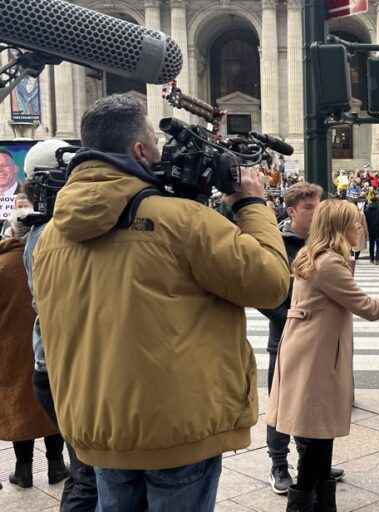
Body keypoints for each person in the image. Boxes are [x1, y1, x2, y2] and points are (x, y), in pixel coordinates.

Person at [32, 94, 290, 510]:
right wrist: (252, 204)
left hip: (100, 428)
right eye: (154, 139)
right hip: (176, 432)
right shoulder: (180, 221)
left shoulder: (50, 236)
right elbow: (272, 283)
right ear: (139, 150)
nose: (161, 151)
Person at [267, 200, 379, 511]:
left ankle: (322, 504)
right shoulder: (328, 263)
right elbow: (369, 308)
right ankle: (304, 505)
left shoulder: (316, 256)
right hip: (316, 358)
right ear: (339, 228)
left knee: (318, 440)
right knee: (317, 441)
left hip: (311, 353)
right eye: (355, 224)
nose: (361, 228)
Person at [23, 139, 99, 511]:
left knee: (88, 469)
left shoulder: (39, 232)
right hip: (65, 370)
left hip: (51, 368)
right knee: (89, 473)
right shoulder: (52, 233)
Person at [260, 183, 350, 494]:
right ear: (292, 210)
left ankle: (308, 462)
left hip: (319, 342)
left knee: (308, 405)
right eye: (309, 207)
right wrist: (291, 318)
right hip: (286, 337)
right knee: (282, 405)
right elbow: (265, 293)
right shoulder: (279, 244)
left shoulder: (324, 245)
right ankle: (278, 464)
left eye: (318, 206)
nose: (317, 212)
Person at [0, 209, 69, 490]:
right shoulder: (52, 257)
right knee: (51, 404)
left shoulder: (3, 264)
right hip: (47, 343)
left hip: (11, 350)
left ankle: (23, 470)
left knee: (20, 407)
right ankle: (55, 465)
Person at [365, 195, 379, 265]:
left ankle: (371, 259)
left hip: (370, 229)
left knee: (371, 245)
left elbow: (365, 219)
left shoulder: (367, 209)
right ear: (377, 201)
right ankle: (377, 260)